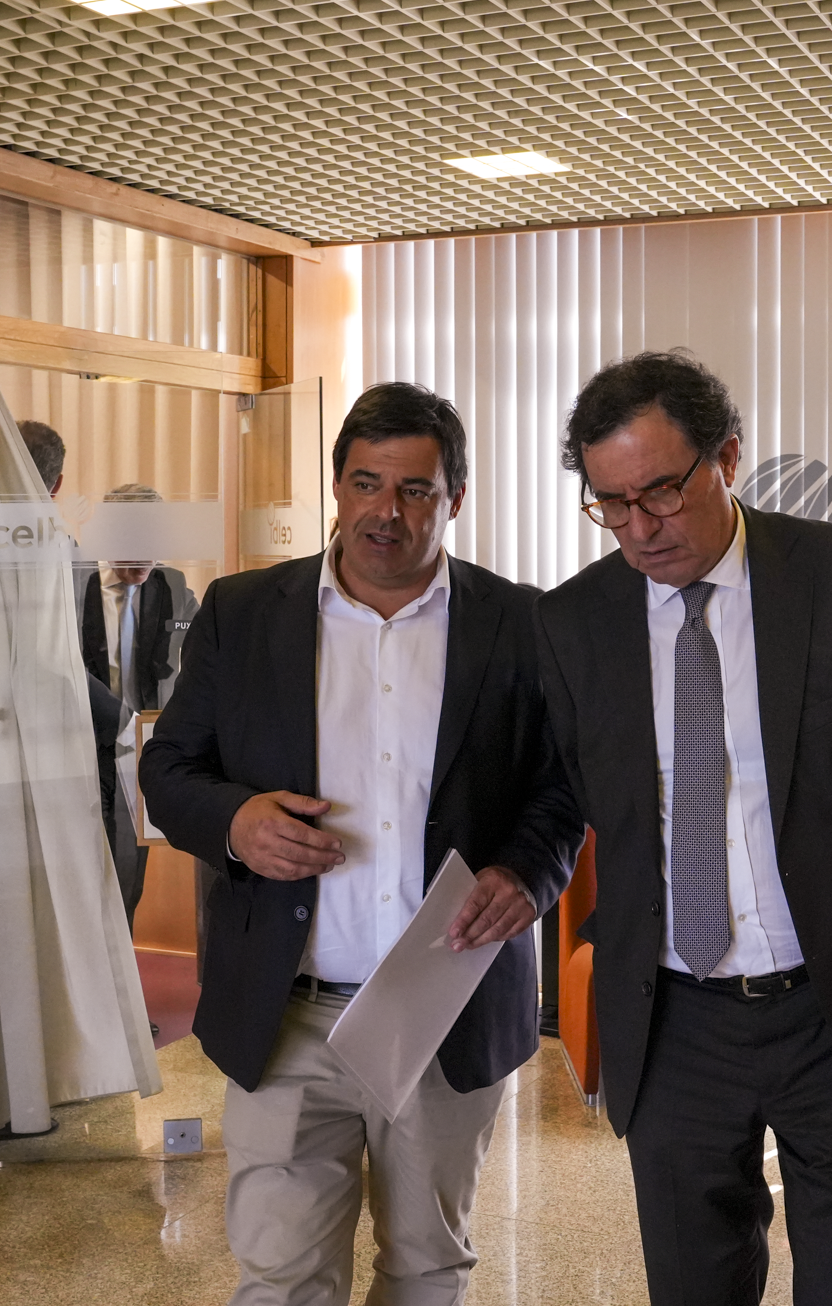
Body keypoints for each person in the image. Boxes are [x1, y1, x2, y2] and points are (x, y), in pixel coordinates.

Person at [534, 350, 832, 1306]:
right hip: (674, 1019)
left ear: (727, 457)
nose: (640, 528)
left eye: (661, 492)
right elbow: (581, 792)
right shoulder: (573, 624)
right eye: (611, 504)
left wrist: (829, 862)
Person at [139, 382, 582, 1306]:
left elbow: (562, 788)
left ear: (455, 498)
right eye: (367, 482)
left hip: (444, 1009)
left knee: (427, 1270)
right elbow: (170, 769)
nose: (387, 510)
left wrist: (526, 874)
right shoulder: (242, 612)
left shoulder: (523, 623)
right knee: (282, 1277)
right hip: (287, 1013)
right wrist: (235, 822)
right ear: (336, 485)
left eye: (416, 489)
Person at [18, 420, 139, 928]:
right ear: (59, 484)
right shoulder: (59, 551)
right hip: (71, 747)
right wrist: (125, 722)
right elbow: (58, 659)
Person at [80, 483, 199, 922]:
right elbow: (60, 665)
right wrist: (121, 720)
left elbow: (201, 648)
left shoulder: (173, 587)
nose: (147, 557)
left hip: (139, 753)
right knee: (82, 882)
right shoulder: (76, 584)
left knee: (127, 884)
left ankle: (120, 964)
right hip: (81, 750)